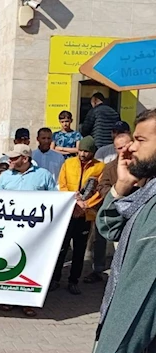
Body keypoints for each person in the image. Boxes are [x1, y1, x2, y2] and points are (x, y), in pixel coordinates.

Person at [93, 109, 156, 353]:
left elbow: (140, 301)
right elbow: (109, 227)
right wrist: (122, 184)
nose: (130, 148)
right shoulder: (145, 193)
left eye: (140, 140)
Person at [0, 143, 56, 317]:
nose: (10, 160)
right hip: (10, 228)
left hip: (34, 231)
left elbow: (55, 199)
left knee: (32, 264)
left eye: (14, 157)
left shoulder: (43, 175)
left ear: (25, 158)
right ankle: (8, 298)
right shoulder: (5, 176)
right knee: (9, 262)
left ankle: (28, 301)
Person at [51, 136, 104, 295]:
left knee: (79, 250)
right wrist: (73, 202)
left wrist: (85, 205)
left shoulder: (100, 167)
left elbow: (100, 190)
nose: (82, 154)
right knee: (61, 248)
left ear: (92, 152)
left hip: (85, 214)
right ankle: (55, 279)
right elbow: (63, 184)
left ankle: (73, 281)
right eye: (80, 150)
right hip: (68, 213)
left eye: (86, 151)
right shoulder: (68, 163)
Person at [84, 132, 134, 285]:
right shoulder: (110, 167)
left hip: (134, 212)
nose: (123, 150)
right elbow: (102, 186)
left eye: (126, 146)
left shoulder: (143, 164)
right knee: (100, 240)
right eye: (119, 148)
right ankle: (98, 270)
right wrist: (117, 194)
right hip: (113, 209)